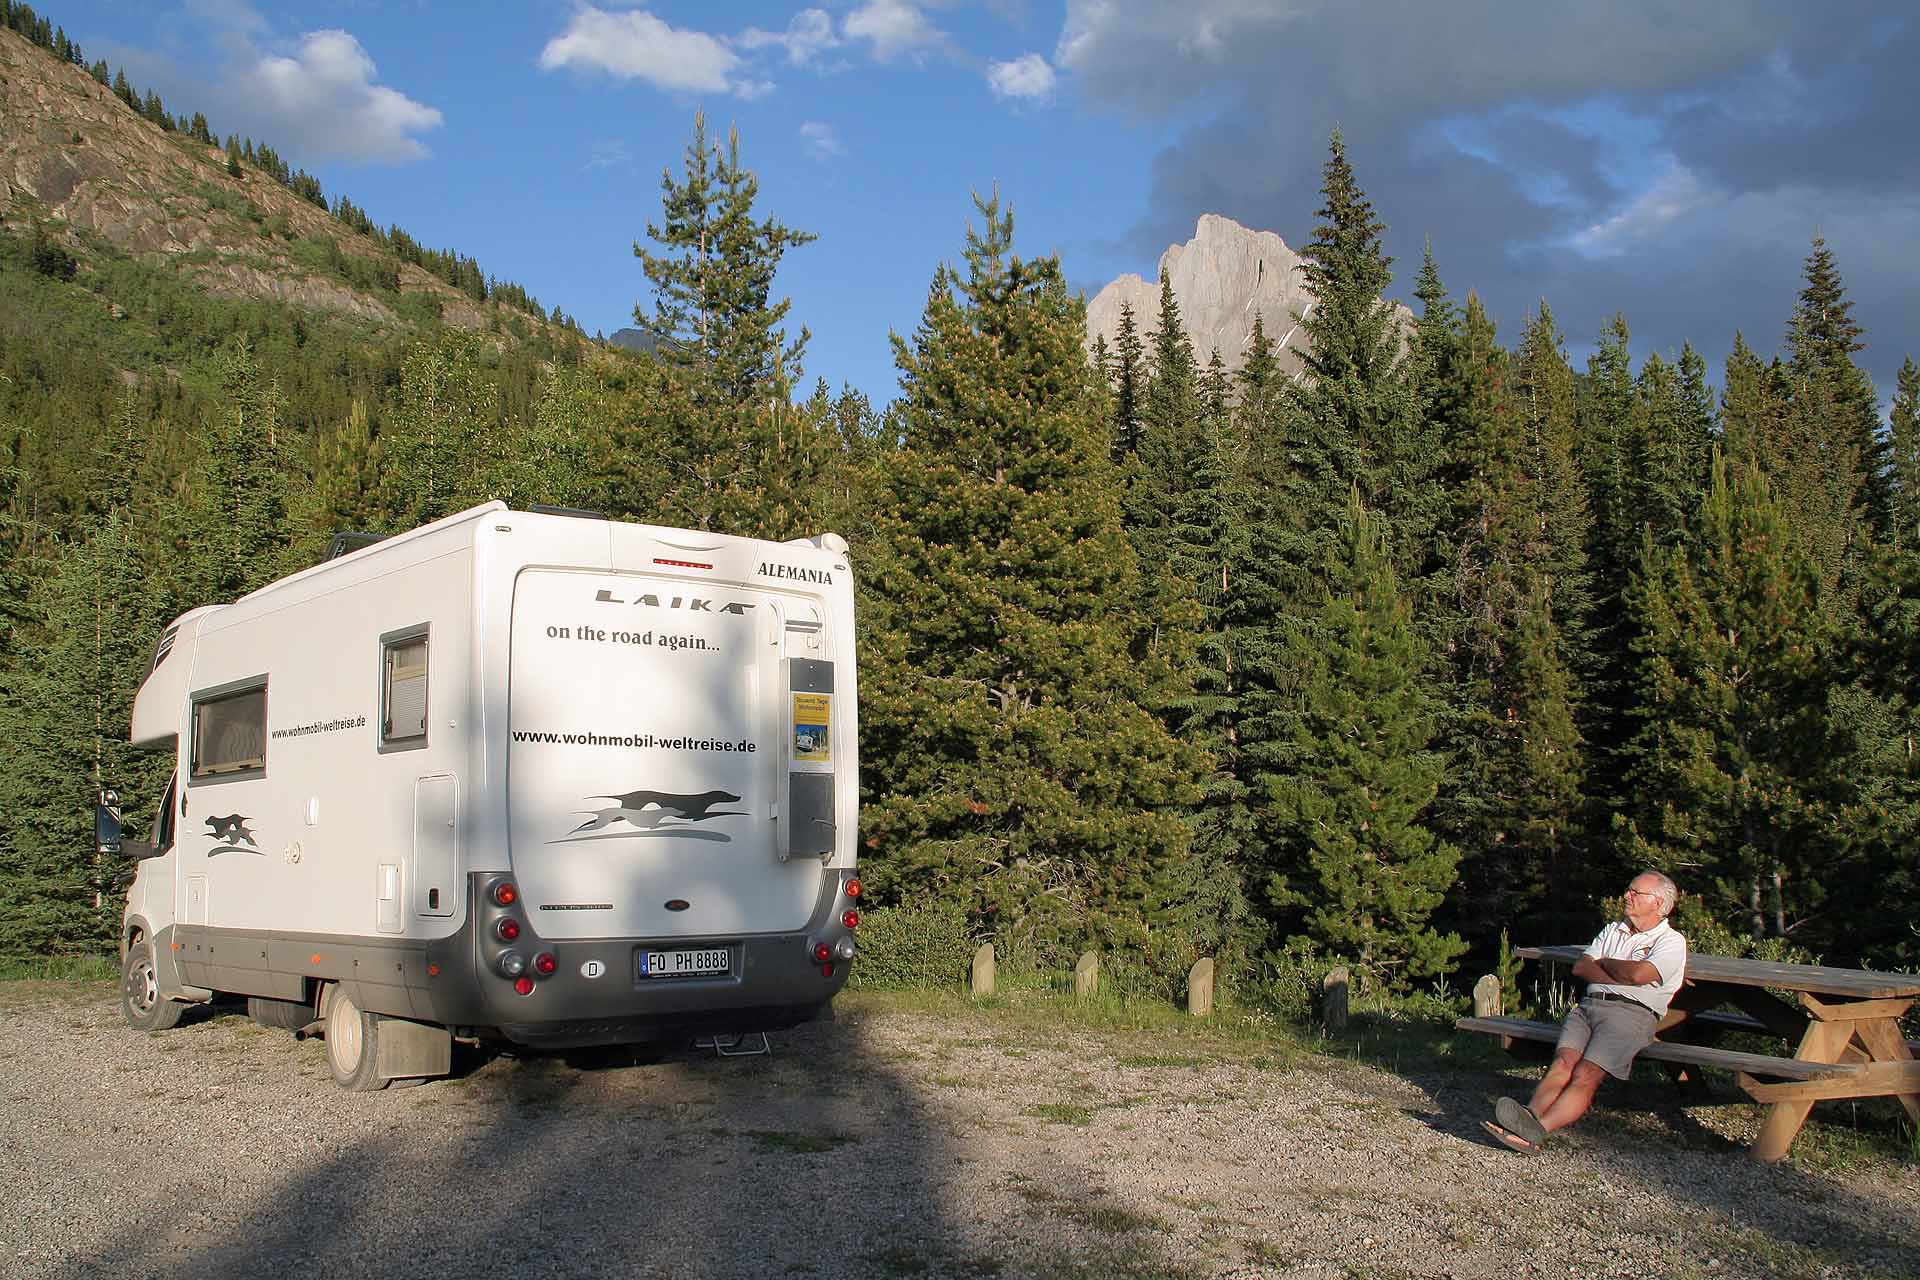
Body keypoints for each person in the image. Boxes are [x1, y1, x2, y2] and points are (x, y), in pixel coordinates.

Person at [1484, 870, 1687, 1154]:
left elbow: (1641, 974)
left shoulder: (1671, 941)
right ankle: (1525, 1121)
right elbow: (1582, 967)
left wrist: (1604, 963)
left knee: (1587, 1073)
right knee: (1563, 1063)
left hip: (1631, 1014)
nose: (1626, 896)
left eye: (1634, 892)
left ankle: (1535, 1133)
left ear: (1656, 902)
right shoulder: (1612, 930)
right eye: (1628, 890)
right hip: (1590, 1006)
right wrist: (1620, 975)